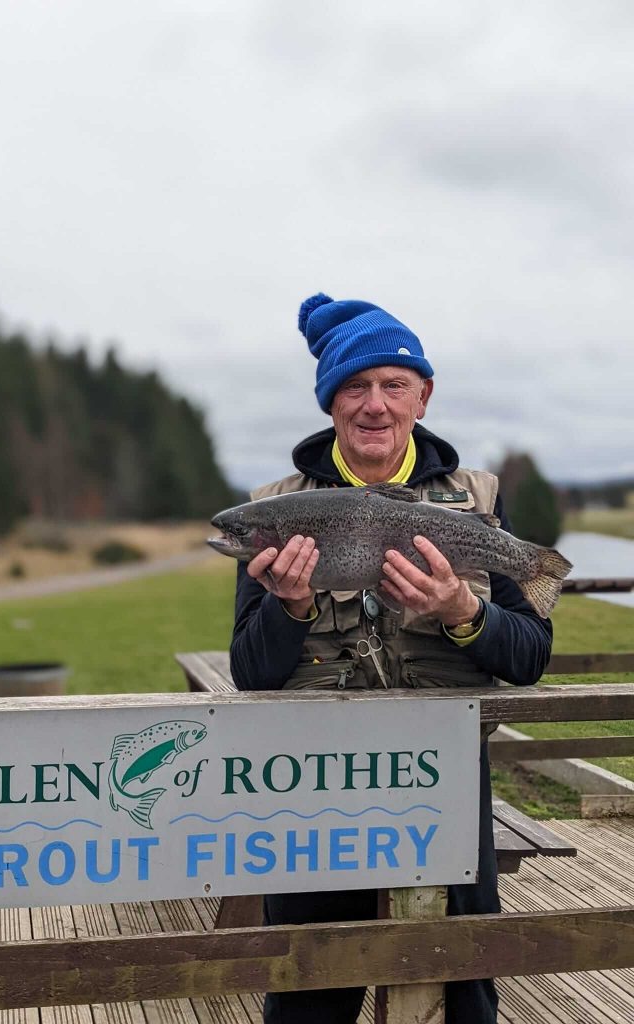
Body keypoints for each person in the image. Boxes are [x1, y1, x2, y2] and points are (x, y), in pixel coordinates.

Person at [229, 292, 553, 1024]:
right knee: (310, 992)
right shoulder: (276, 512)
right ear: (330, 403)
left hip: (445, 783)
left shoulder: (478, 504)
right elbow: (251, 674)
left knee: (462, 988)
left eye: (394, 384)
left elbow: (531, 657)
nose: (375, 405)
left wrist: (464, 613)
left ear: (423, 397)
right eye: (355, 386)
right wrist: (290, 607)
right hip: (313, 790)